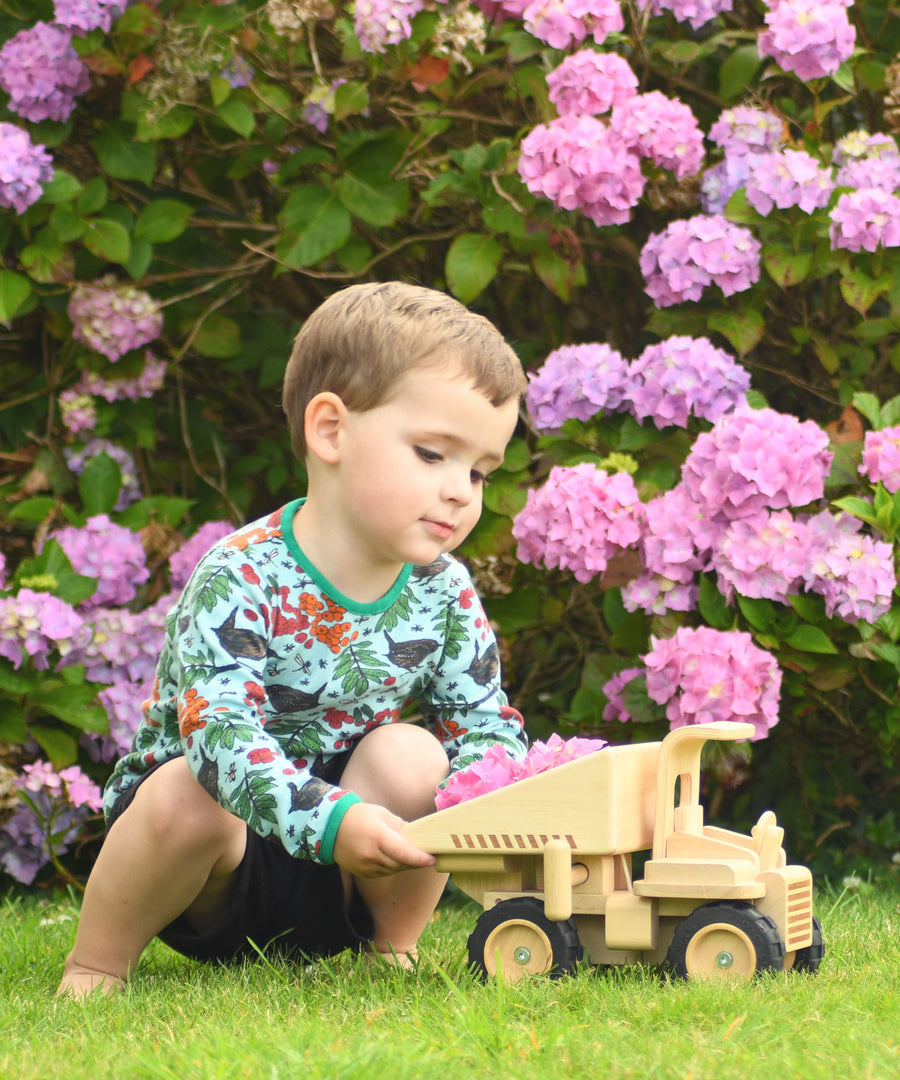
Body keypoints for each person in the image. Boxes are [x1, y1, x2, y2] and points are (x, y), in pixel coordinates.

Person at [58, 281, 529, 997]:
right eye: (434, 454)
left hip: (353, 866)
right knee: (187, 787)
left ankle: (390, 947)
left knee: (415, 755)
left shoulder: (444, 589)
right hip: (209, 867)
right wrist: (329, 817)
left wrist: (511, 798)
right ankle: (96, 962)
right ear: (332, 430)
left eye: (480, 470)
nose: (463, 490)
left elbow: (483, 721)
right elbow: (218, 733)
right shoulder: (241, 575)